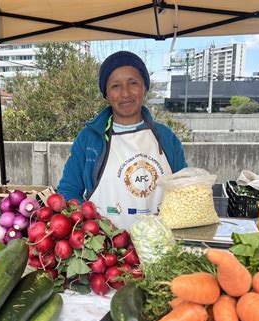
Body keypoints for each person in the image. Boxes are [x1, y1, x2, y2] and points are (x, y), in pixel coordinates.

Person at [57, 51, 187, 229]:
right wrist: (89, 230)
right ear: (106, 94)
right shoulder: (89, 139)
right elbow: (68, 191)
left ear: (144, 88)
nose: (125, 93)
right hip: (104, 250)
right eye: (115, 86)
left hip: (161, 249)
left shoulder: (166, 137)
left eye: (133, 83)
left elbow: (184, 191)